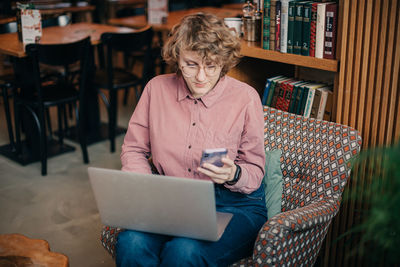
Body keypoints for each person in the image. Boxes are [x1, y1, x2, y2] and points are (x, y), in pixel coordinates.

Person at [116, 12, 268, 266]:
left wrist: (234, 174)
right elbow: (133, 148)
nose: (200, 77)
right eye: (191, 64)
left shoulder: (245, 98)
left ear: (224, 62)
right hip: (173, 198)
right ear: (177, 58)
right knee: (131, 243)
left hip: (233, 203)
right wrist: (143, 186)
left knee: (185, 251)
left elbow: (254, 171)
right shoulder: (156, 89)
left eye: (211, 66)